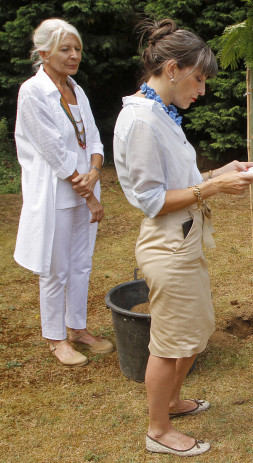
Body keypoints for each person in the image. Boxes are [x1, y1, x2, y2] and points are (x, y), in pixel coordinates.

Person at [113, 19, 253, 457]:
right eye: (199, 78)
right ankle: (158, 430)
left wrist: (219, 173)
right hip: (167, 243)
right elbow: (153, 201)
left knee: (195, 330)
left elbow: (181, 180)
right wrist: (212, 188)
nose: (202, 89)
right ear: (173, 68)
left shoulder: (160, 114)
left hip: (185, 237)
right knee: (170, 339)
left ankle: (173, 402)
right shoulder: (140, 120)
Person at [14, 18, 111, 367]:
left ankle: (78, 327)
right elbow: (53, 150)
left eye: (78, 49)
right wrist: (89, 194)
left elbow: (95, 138)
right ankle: (55, 337)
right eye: (65, 49)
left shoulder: (76, 89)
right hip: (56, 193)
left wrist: (95, 171)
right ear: (43, 53)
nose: (74, 56)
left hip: (86, 184)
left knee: (81, 264)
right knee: (55, 269)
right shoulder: (33, 92)